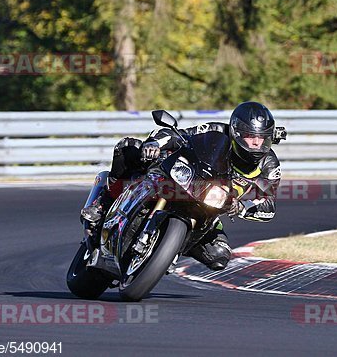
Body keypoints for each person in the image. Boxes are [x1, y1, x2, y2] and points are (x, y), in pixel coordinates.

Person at [81, 101, 282, 270]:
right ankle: (102, 203)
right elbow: (180, 135)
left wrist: (240, 206)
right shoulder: (217, 131)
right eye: (250, 137)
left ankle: (169, 250)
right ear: (236, 132)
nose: (256, 144)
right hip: (184, 181)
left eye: (261, 138)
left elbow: (268, 203)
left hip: (209, 210)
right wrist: (155, 144)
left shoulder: (269, 166)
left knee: (220, 255)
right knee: (129, 148)